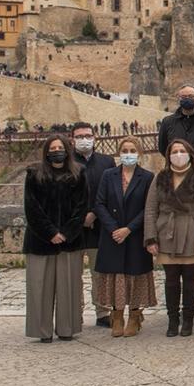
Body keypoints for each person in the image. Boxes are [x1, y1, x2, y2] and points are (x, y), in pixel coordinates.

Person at [144, 138, 194, 337]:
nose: (178, 154)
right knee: (171, 279)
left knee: (190, 278)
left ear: (189, 153)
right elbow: (150, 209)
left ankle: (188, 320)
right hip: (167, 232)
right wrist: (151, 238)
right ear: (168, 156)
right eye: (174, 151)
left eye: (182, 150)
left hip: (192, 232)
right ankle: (172, 319)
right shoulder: (161, 177)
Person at [22, 135, 88, 342]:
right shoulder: (34, 174)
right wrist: (50, 232)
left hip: (70, 240)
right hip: (40, 239)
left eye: (60, 147)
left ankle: (67, 328)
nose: (57, 150)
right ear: (46, 151)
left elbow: (82, 206)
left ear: (67, 150)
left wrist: (67, 232)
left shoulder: (78, 173)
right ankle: (42, 330)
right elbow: (31, 207)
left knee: (69, 286)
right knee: (39, 286)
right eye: (53, 147)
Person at [93, 136, 157, 337]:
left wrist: (129, 229)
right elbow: (100, 203)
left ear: (139, 153)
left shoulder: (147, 177)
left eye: (132, 150)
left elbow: (149, 207)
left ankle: (135, 316)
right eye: (124, 150)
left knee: (135, 275)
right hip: (112, 235)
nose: (128, 154)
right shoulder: (108, 175)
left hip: (135, 234)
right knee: (116, 276)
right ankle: (117, 315)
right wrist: (114, 228)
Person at [71, 122, 114, 327]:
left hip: (99, 227)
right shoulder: (66, 161)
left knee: (100, 274)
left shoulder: (106, 162)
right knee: (73, 276)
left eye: (87, 135)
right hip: (73, 228)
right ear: (73, 139)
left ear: (95, 137)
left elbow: (110, 193)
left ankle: (102, 311)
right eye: (79, 136)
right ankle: (74, 313)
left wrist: (95, 213)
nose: (84, 139)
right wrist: (80, 217)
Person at [158, 85, 194, 159]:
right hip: (177, 167)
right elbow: (163, 148)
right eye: (184, 97)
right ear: (179, 99)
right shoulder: (168, 122)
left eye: (191, 96)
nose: (187, 99)